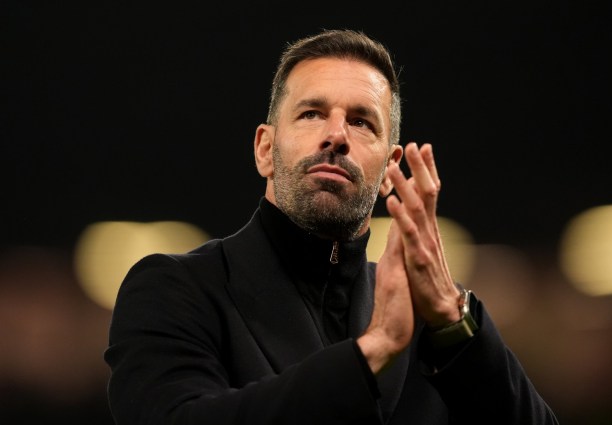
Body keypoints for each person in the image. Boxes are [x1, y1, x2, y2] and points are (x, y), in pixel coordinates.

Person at [104, 29, 559, 424]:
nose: (337, 134)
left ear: (389, 167)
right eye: (311, 113)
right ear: (265, 148)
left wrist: (453, 321)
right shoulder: (176, 289)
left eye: (361, 122)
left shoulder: (436, 322)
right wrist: (373, 352)